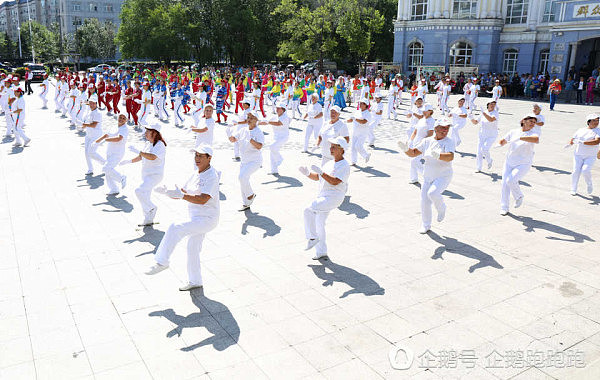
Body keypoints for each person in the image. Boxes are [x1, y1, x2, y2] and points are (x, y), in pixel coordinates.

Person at [145, 145, 220, 292]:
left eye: (201, 156)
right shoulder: (195, 173)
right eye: (196, 155)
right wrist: (168, 192)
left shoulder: (212, 176)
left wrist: (182, 195)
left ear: (209, 158)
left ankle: (161, 261)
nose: (197, 159)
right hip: (195, 217)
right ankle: (195, 280)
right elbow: (183, 193)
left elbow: (203, 199)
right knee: (192, 248)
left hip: (207, 219)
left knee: (175, 227)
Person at [399, 117, 455, 233]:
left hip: (443, 175)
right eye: (442, 128)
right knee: (424, 202)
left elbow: (450, 156)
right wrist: (405, 149)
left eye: (447, 129)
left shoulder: (449, 141)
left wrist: (438, 155)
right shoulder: (427, 141)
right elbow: (413, 153)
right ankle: (426, 224)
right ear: (435, 128)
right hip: (428, 176)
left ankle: (441, 207)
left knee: (433, 193)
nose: (445, 131)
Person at [299, 136, 351, 260]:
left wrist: (322, 173)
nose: (331, 149)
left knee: (308, 210)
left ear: (342, 150)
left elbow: (335, 181)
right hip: (324, 195)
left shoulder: (344, 165)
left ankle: (312, 237)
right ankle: (321, 251)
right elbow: (318, 177)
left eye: (334, 147)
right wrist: (307, 173)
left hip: (334, 197)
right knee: (319, 223)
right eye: (331, 146)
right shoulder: (329, 162)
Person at [124, 123, 167, 226]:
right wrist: (129, 161)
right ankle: (148, 219)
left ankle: (152, 207)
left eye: (148, 131)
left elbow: (152, 157)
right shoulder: (148, 143)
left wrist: (139, 152)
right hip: (146, 175)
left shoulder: (160, 145)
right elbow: (142, 156)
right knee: (145, 196)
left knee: (139, 191)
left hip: (155, 175)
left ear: (154, 133)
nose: (146, 133)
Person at [497, 114, 540, 215]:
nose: (533, 124)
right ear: (524, 121)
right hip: (509, 161)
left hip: (523, 163)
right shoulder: (513, 131)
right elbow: (503, 141)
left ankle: (519, 196)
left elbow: (536, 140)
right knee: (504, 184)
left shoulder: (534, 132)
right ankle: (504, 207)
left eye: (534, 122)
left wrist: (521, 138)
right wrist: (501, 143)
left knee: (511, 180)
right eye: (531, 121)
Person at [228, 110, 264, 210]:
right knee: (243, 181)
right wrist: (230, 136)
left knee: (242, 177)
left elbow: (260, 146)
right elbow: (234, 139)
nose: (249, 120)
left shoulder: (258, 132)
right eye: (248, 118)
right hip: (244, 161)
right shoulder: (243, 130)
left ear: (256, 120)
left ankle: (251, 195)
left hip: (255, 161)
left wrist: (251, 140)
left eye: (252, 118)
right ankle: (246, 203)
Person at [96, 113, 128, 195]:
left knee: (106, 168)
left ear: (126, 120)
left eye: (123, 118)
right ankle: (114, 189)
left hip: (117, 153)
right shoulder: (115, 126)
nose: (121, 119)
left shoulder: (124, 129)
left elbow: (119, 139)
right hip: (110, 151)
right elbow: (107, 135)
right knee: (108, 171)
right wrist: (98, 140)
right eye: (120, 117)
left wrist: (106, 140)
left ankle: (121, 178)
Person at [568, 114, 600, 195]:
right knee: (575, 171)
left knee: (585, 170)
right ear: (588, 122)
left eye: (597, 120)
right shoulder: (580, 130)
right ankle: (573, 188)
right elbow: (573, 139)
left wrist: (583, 142)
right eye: (594, 120)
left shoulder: (598, 130)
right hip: (578, 154)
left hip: (590, 156)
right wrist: (570, 143)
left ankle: (589, 184)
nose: (596, 122)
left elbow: (596, 141)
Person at [407, 103, 435, 184]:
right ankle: (414, 178)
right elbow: (415, 131)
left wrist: (423, 143)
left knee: (414, 161)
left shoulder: (431, 121)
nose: (423, 112)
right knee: (413, 161)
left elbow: (430, 134)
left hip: (424, 145)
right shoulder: (421, 120)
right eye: (423, 111)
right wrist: (410, 140)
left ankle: (428, 178)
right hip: (416, 143)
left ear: (430, 111)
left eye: (425, 111)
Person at [260, 101, 290, 175]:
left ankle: (280, 159)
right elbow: (266, 121)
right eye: (276, 108)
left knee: (272, 147)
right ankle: (274, 170)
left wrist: (269, 122)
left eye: (278, 108)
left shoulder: (285, 117)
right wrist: (257, 123)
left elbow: (278, 123)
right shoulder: (274, 116)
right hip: (275, 137)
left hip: (283, 137)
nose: (276, 109)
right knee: (272, 152)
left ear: (283, 109)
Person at [470, 101, 499, 172]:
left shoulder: (495, 113)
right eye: (491, 104)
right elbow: (475, 122)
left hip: (492, 135)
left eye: (494, 104)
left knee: (485, 149)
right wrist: (471, 117)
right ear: (488, 105)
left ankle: (489, 160)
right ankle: (478, 168)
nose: (492, 105)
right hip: (482, 134)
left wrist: (484, 113)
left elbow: (491, 120)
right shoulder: (484, 112)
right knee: (479, 152)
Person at [80, 94, 106, 175]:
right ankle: (90, 169)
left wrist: (85, 125)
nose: (91, 105)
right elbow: (88, 123)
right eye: (90, 103)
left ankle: (105, 163)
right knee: (86, 152)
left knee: (91, 152)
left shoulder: (97, 113)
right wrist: (83, 126)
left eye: (93, 103)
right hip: (89, 135)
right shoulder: (89, 112)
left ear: (96, 104)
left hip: (96, 135)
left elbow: (94, 125)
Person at [346, 98, 371, 166]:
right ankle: (353, 161)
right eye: (360, 103)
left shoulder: (368, 113)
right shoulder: (357, 111)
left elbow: (364, 122)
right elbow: (352, 119)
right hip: (355, 132)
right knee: (353, 147)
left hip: (362, 133)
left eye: (362, 103)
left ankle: (366, 155)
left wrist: (355, 119)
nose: (360, 105)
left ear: (366, 105)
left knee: (358, 146)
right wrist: (347, 120)